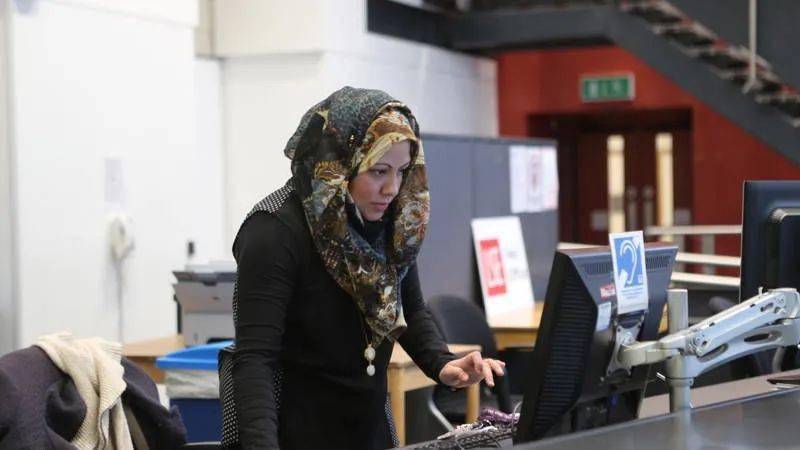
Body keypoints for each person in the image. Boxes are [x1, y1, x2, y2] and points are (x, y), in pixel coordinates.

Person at [230, 86, 505, 449]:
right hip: (292, 432)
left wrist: (441, 362)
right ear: (341, 162)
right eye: (378, 171)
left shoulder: (388, 223)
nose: (392, 189)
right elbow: (255, 360)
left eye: (402, 171)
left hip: (368, 428)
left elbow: (408, 309)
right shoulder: (274, 232)